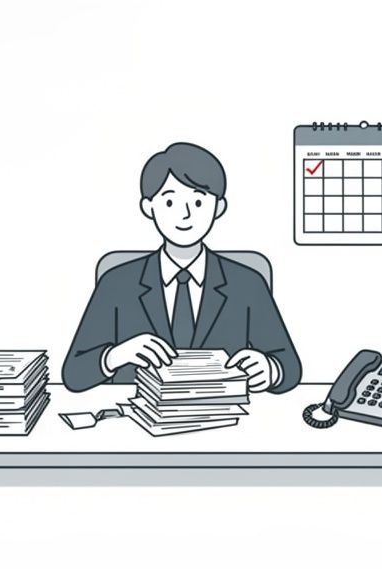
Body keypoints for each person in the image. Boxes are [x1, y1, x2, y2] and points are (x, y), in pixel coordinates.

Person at [62, 142, 301, 394]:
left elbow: (290, 366)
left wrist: (270, 369)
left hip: (223, 416)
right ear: (148, 207)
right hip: (138, 423)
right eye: (169, 203)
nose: (184, 215)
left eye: (198, 202)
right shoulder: (117, 283)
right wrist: (114, 356)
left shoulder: (247, 283)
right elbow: (73, 374)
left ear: (218, 208)